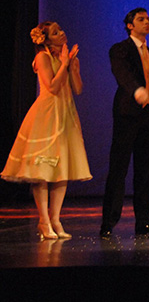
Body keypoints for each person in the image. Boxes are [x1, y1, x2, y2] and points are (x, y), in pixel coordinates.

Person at [2, 22, 92, 240]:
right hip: (47, 116)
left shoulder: (68, 58)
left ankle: (55, 219)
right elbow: (51, 87)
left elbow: (77, 89)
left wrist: (72, 66)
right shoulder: (42, 57)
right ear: (46, 40)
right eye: (55, 32)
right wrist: (63, 64)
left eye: (60, 30)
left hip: (66, 115)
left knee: (62, 170)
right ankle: (43, 220)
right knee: (42, 170)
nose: (62, 33)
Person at [100, 8, 149, 238]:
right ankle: (108, 222)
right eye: (141, 19)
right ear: (130, 25)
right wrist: (137, 90)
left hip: (148, 118)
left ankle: (144, 221)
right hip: (127, 115)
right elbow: (122, 74)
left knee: (145, 171)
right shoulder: (120, 49)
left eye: (148, 19)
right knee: (119, 168)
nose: (146, 22)